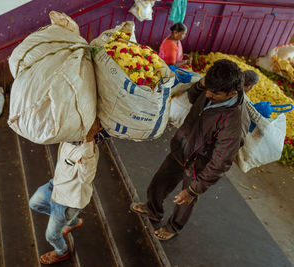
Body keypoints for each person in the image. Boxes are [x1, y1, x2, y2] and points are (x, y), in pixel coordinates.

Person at [130, 59, 250, 241]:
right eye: (208, 88)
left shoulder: (233, 123)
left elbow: (220, 162)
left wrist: (194, 190)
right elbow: (194, 97)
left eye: (214, 93)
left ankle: (173, 226)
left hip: (200, 163)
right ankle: (153, 210)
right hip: (182, 146)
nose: (208, 94)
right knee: (160, 181)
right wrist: (201, 85)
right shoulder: (212, 88)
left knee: (185, 199)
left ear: (232, 93)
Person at [29, 118, 106, 264]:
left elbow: (86, 178)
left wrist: (89, 140)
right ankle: (72, 221)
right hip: (55, 185)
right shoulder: (69, 136)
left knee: (51, 236)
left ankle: (61, 252)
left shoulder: (89, 151)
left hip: (67, 200)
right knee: (34, 202)